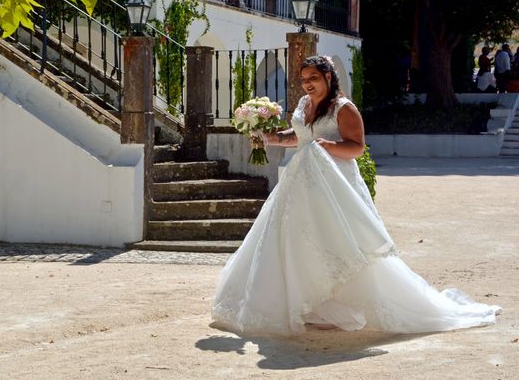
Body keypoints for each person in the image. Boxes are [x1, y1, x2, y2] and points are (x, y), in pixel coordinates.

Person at [212, 55, 501, 335]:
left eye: (313, 78)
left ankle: (345, 305)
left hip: (335, 185)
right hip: (301, 184)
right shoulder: (303, 104)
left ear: (328, 76)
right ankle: (315, 306)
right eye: (303, 80)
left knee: (340, 242)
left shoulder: (344, 108)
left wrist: (327, 146)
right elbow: (300, 136)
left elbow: (357, 147)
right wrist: (272, 138)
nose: (307, 84)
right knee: (298, 240)